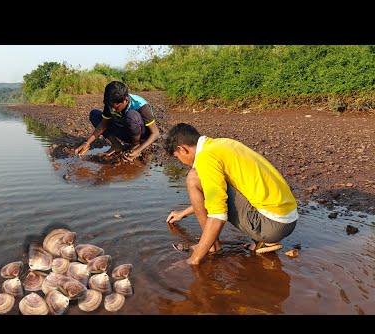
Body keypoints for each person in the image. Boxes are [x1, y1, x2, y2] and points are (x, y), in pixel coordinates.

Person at [165, 123, 298, 265]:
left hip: (272, 224)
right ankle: (263, 242)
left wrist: (193, 260)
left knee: (193, 178)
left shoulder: (205, 157)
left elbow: (218, 215)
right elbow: (219, 194)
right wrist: (184, 213)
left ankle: (213, 247)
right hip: (287, 218)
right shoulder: (222, 144)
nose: (181, 162)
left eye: (177, 157)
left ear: (182, 149)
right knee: (213, 189)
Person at [74, 81, 160, 162]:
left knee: (131, 116)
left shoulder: (141, 106)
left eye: (116, 107)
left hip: (141, 135)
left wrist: (138, 150)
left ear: (125, 100)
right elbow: (104, 124)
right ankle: (117, 145)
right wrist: (87, 143)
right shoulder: (111, 104)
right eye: (110, 106)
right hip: (125, 131)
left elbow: (155, 133)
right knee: (95, 115)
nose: (113, 110)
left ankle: (135, 145)